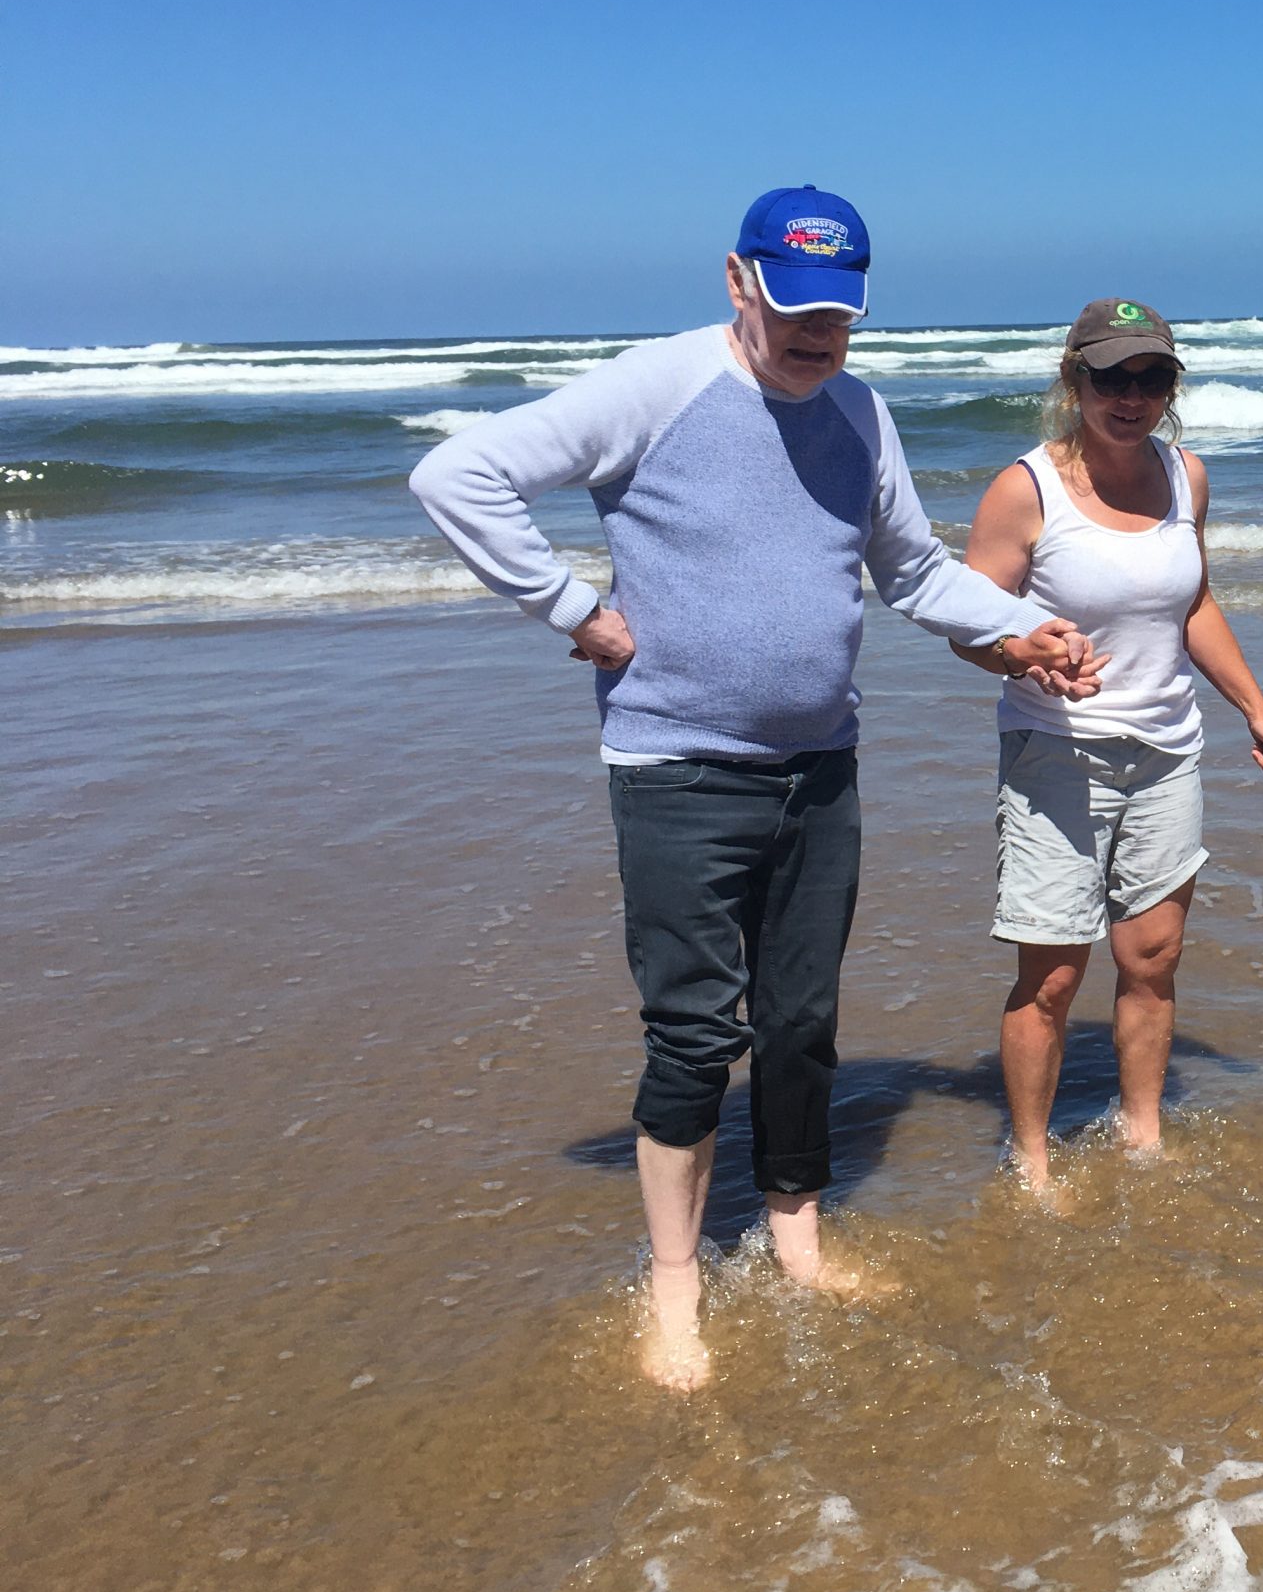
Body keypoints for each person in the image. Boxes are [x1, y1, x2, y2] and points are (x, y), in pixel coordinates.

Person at [410, 185, 1096, 1389]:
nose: (816, 332)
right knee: (690, 1036)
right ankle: (674, 1282)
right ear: (737, 282)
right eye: (792, 306)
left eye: (838, 311)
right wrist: (571, 609)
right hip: (675, 769)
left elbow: (914, 572)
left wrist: (1024, 626)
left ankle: (795, 1236)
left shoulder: (859, 412)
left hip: (818, 767)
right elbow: (458, 476)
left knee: (801, 1022)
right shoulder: (658, 386)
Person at [953, 299, 1263, 1192]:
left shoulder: (1188, 476)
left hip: (1167, 755)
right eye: (1111, 377)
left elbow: (1193, 606)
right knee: (1054, 977)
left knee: (1152, 960)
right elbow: (966, 620)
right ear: (1075, 380)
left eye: (1152, 378)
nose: (1131, 396)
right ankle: (1030, 1162)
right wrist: (1021, 652)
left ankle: (1142, 1137)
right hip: (1055, 758)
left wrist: (1253, 708)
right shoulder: (1024, 488)